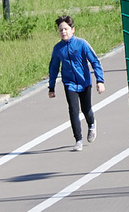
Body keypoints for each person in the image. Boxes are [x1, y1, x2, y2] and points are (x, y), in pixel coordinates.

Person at [45, 13, 106, 152]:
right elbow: (53, 68)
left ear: (73, 29)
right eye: (60, 30)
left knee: (86, 109)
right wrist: (51, 87)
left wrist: (100, 80)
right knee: (73, 110)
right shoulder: (57, 49)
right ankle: (78, 140)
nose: (63, 32)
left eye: (66, 29)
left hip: (84, 82)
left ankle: (91, 124)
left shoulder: (81, 44)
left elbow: (95, 61)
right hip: (69, 83)